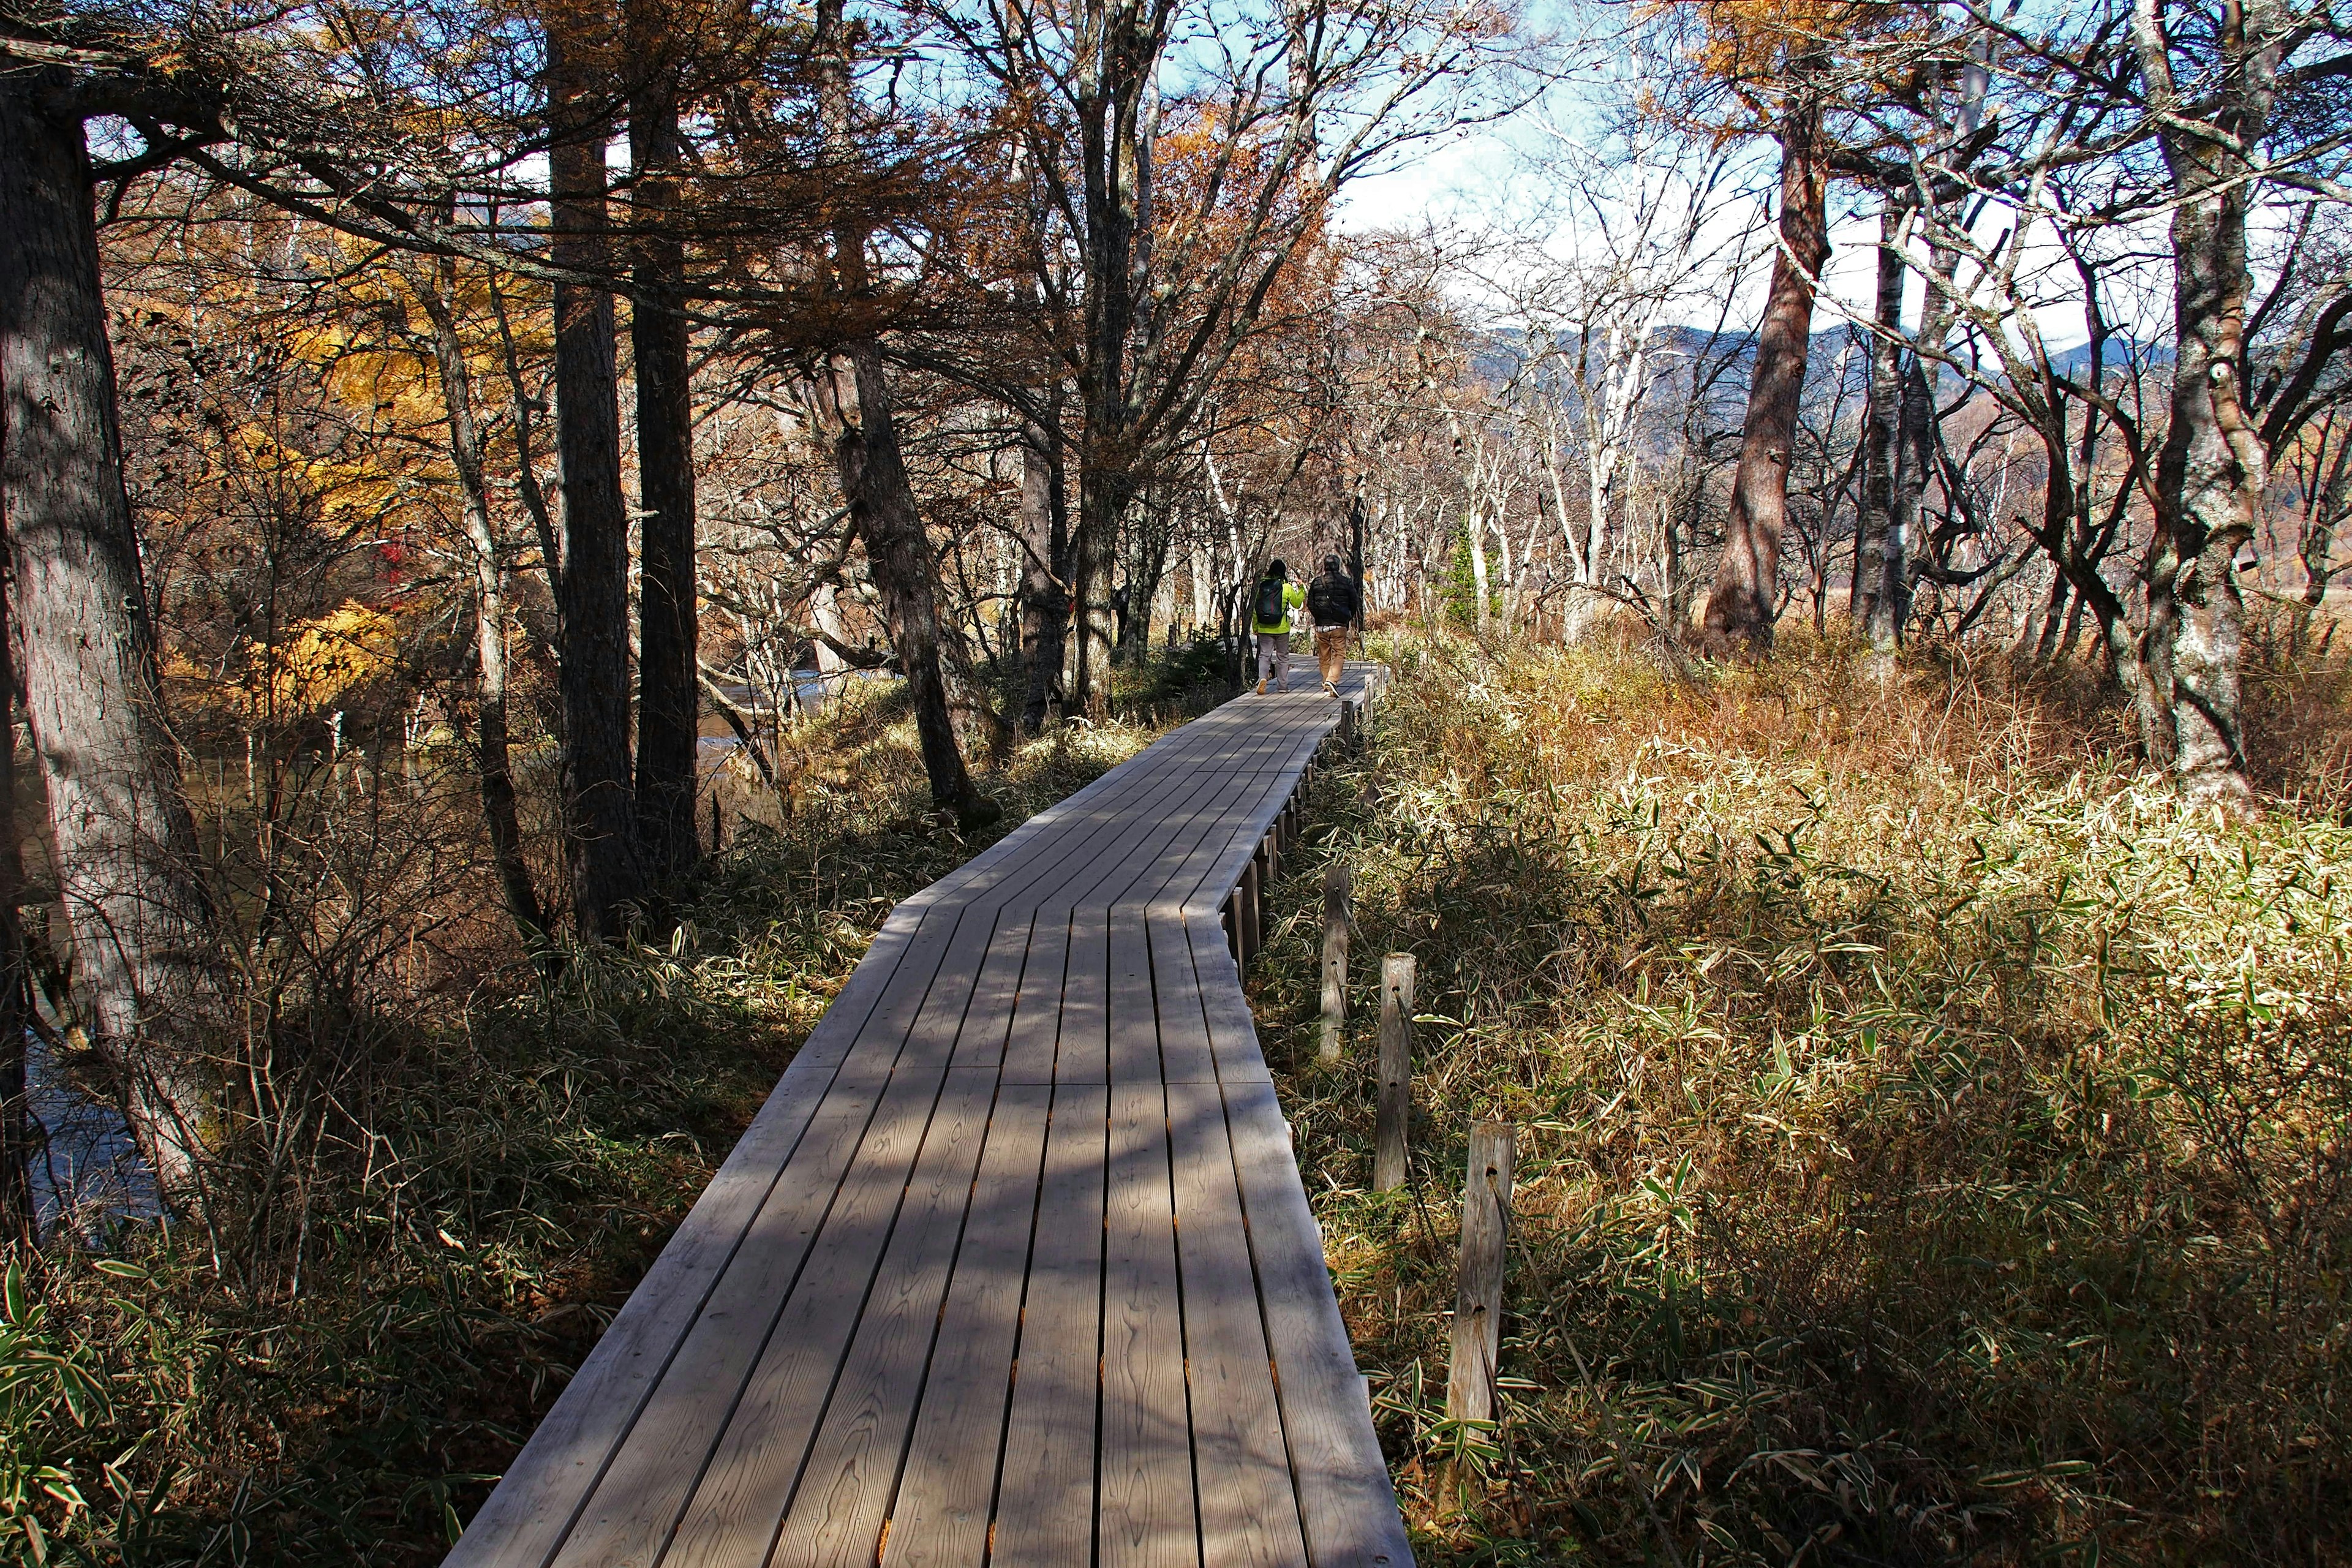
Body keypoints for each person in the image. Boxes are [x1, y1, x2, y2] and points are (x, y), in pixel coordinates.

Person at [1304, 552, 1360, 698]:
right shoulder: (1346, 582)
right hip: (1339, 625)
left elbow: (1310, 603)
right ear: (1338, 566)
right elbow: (1354, 602)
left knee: (1324, 656)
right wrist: (1347, 616)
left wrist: (1319, 616)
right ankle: (1332, 680)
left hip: (1321, 626)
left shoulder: (1317, 582)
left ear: (1325, 566)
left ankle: (1326, 682)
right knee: (1339, 654)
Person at [1250, 559, 1305, 694]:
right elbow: (1297, 604)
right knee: (1283, 657)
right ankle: (1283, 686)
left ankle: (1262, 678)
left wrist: (1255, 626)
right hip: (1282, 628)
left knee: (1264, 655)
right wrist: (1302, 589)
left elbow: (1256, 609)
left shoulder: (1262, 586)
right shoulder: (1286, 587)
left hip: (1264, 627)